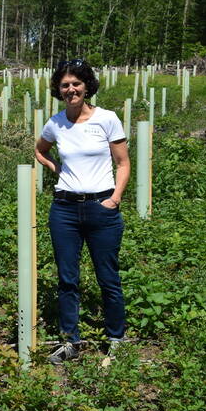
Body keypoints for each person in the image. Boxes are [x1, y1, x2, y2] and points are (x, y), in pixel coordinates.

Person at [35, 59, 130, 364]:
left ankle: (116, 338)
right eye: (65, 85)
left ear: (87, 86)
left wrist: (114, 198)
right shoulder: (55, 122)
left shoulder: (107, 119)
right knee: (67, 278)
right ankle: (69, 341)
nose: (71, 89)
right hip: (64, 209)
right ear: (58, 89)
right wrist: (56, 168)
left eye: (76, 83)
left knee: (108, 277)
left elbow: (123, 163)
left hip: (101, 208)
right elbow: (39, 149)